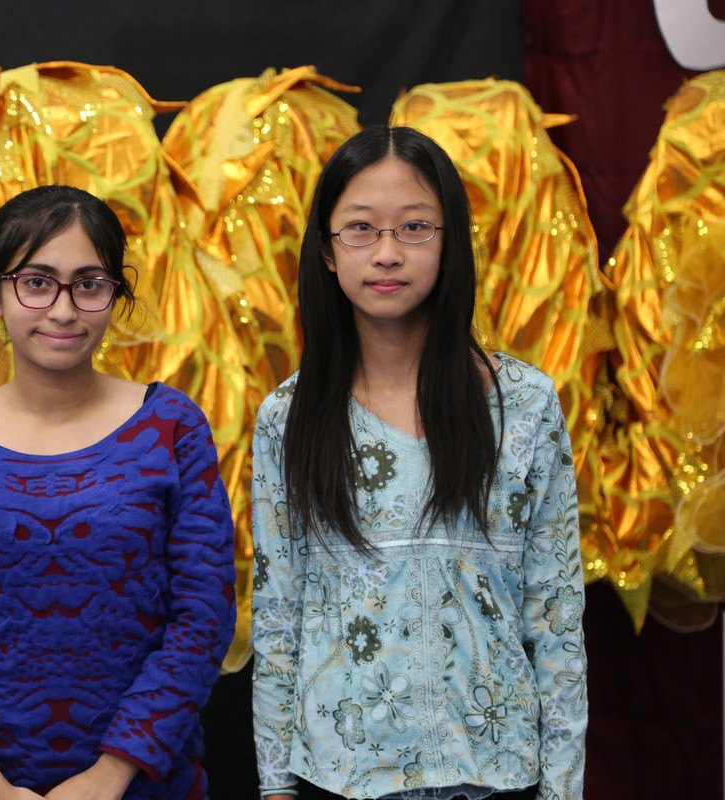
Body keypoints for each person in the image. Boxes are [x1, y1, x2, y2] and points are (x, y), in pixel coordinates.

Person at [250, 126, 587, 800]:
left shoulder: (524, 405)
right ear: (326, 250)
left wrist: (562, 788)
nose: (387, 253)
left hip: (496, 774)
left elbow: (555, 616)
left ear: (451, 241)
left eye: (414, 227)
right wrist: (276, 787)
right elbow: (278, 616)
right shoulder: (289, 416)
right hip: (338, 779)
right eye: (360, 229)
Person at [0, 184, 237, 800]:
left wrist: (110, 775)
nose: (64, 310)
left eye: (88, 284)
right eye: (37, 282)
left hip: (144, 786)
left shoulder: (172, 427)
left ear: (117, 294)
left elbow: (203, 616)